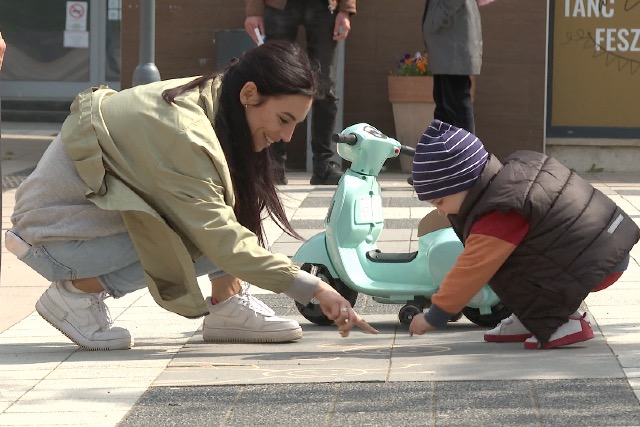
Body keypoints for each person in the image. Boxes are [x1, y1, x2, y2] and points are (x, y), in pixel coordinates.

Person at [5, 40, 377, 351]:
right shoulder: (185, 134)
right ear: (250, 93)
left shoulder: (216, 99)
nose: (287, 136)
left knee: (225, 205)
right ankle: (75, 295)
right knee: (202, 232)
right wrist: (315, 288)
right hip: (55, 240)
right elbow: (219, 239)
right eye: (284, 119)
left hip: (76, 228)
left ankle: (227, 302)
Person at [408, 119, 639, 349]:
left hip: (597, 262)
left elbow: (471, 270)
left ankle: (566, 321)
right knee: (512, 253)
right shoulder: (510, 176)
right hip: (604, 245)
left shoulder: (500, 209)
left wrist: (434, 315)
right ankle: (529, 318)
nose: (440, 210)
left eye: (440, 201)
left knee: (497, 261)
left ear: (464, 182)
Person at [244, 0, 355, 185]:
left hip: (324, 6)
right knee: (275, 83)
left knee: (325, 87)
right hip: (278, 5)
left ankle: (324, 166)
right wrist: (253, 10)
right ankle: (273, 166)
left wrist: (345, 9)